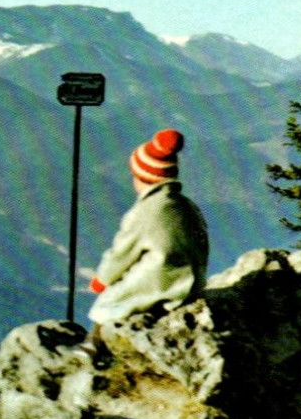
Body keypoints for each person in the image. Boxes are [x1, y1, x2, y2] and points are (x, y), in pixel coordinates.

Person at [87, 129, 210, 326]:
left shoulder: (145, 212)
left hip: (163, 281)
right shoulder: (186, 206)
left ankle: (92, 347)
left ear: (142, 177)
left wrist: (102, 280)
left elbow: (122, 253)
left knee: (106, 305)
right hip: (195, 282)